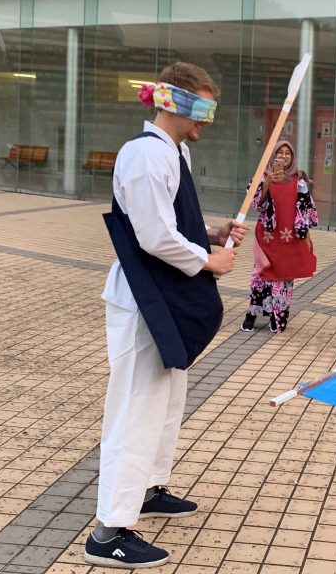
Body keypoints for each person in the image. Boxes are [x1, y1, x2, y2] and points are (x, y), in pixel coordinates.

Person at [86, 62, 247, 569]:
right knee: (136, 408)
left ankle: (148, 490)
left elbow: (173, 223)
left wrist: (212, 234)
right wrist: (208, 259)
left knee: (167, 399)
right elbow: (153, 236)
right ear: (173, 102)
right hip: (145, 300)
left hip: (167, 295)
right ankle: (109, 530)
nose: (208, 120)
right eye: (201, 107)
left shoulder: (175, 153)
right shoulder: (145, 154)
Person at [242, 139, 317, 334]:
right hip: (267, 237)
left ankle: (277, 317)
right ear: (273, 155)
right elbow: (256, 205)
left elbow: (305, 210)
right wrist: (267, 182)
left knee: (283, 280)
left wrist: (307, 235)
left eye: (288, 153)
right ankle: (253, 313)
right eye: (280, 152)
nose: (283, 156)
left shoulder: (298, 180)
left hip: (289, 238)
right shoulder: (261, 176)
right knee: (260, 276)